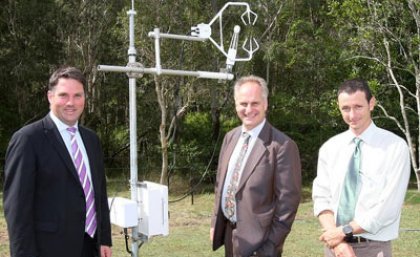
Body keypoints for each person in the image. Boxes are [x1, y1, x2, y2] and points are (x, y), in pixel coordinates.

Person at [3, 66, 112, 257]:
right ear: (50, 97)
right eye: (63, 95)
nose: (71, 102)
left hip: (90, 247)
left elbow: (99, 194)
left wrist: (104, 239)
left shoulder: (91, 140)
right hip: (49, 249)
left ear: (85, 98)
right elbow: (17, 211)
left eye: (78, 95)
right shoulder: (28, 139)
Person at [312, 79, 411, 257]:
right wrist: (339, 242)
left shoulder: (395, 147)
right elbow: (321, 198)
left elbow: (388, 208)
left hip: (372, 248)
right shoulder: (330, 148)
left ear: (371, 103)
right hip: (335, 248)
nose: (352, 115)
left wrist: (343, 231)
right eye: (345, 108)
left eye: (358, 106)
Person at [210, 75, 302, 257]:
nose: (249, 109)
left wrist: (268, 249)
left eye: (255, 103)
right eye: (243, 103)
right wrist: (215, 223)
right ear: (236, 104)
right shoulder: (230, 138)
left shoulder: (282, 146)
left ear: (265, 104)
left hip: (260, 245)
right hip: (230, 236)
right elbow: (221, 184)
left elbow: (287, 206)